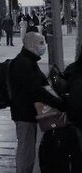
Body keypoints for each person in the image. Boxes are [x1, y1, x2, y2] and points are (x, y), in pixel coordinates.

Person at [8, 31, 66, 173]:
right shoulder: (24, 63)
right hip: (24, 114)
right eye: (41, 43)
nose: (44, 46)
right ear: (30, 45)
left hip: (27, 112)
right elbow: (36, 91)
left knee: (27, 149)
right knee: (26, 151)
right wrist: (59, 104)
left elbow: (41, 85)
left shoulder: (29, 61)